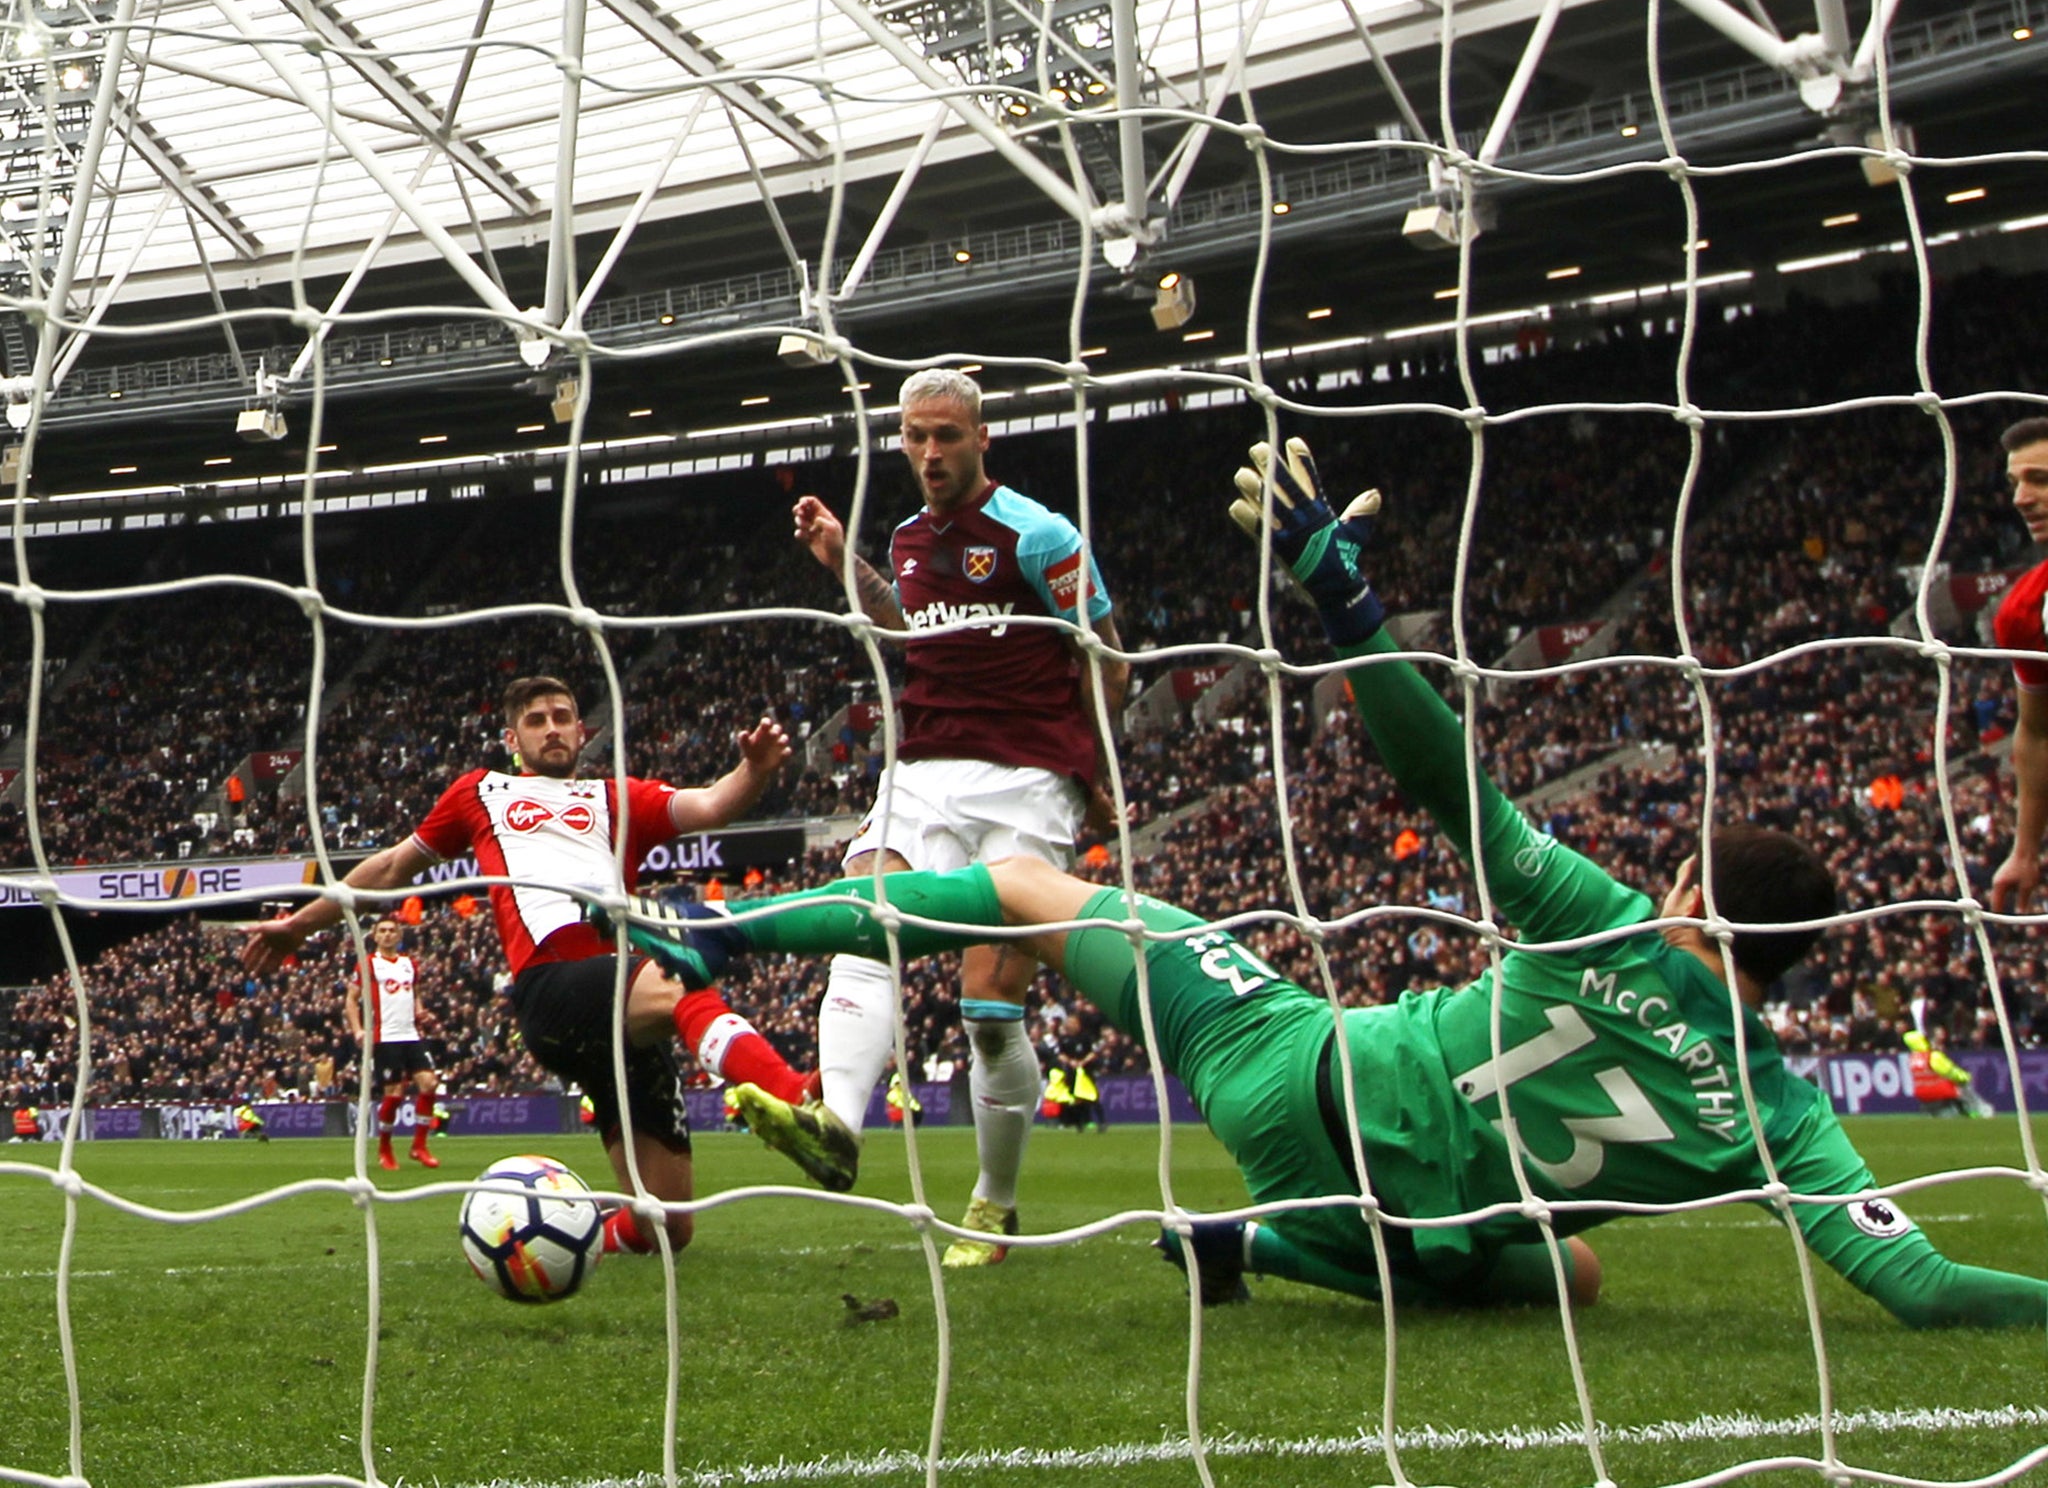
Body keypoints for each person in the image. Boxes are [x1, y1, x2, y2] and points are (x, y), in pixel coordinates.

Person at [612, 438, 2048, 1327]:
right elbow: (1923, 1288)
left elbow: (1448, 786)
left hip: (1290, 1074)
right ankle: (1274, 1243)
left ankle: (728, 934)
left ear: (1688, 900)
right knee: (1583, 1279)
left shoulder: (1615, 926)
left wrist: (1350, 607)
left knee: (1030, 899)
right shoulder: (1785, 1122)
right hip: (1412, 1228)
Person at [243, 674, 816, 1261]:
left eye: (562, 717)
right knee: (678, 980)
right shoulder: (479, 792)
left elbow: (712, 804)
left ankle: (569, 1235)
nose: (552, 729)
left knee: (667, 1229)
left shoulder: (616, 798)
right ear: (512, 737)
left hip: (619, 1007)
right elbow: (391, 867)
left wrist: (756, 769)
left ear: (580, 729)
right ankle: (795, 1098)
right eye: (537, 720)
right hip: (556, 988)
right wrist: (298, 925)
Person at [768, 366, 1127, 1266]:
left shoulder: (1039, 534)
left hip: (1030, 776)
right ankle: (838, 1126)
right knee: (868, 918)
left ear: (980, 439)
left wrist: (1096, 766)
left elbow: (1111, 661)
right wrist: (844, 560)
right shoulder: (905, 539)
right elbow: (907, 631)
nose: (930, 452)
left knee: (989, 1002)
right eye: (916, 437)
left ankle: (993, 1207)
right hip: (923, 762)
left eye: (946, 436)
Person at [1990, 417, 2048, 913]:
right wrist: (2025, 850)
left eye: (2041, 480)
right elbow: (2037, 733)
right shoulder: (2025, 612)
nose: (2020, 499)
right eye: (2015, 483)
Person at [347, 917, 442, 1171]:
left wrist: (420, 1011)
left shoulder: (408, 964)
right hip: (385, 1037)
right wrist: (358, 1030)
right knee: (395, 1094)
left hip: (410, 1034)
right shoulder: (368, 965)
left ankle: (419, 1146)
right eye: (383, 931)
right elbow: (351, 999)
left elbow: (415, 994)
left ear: (399, 936)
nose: (388, 935)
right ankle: (385, 1148)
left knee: (429, 1083)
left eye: (392, 931)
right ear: (375, 936)